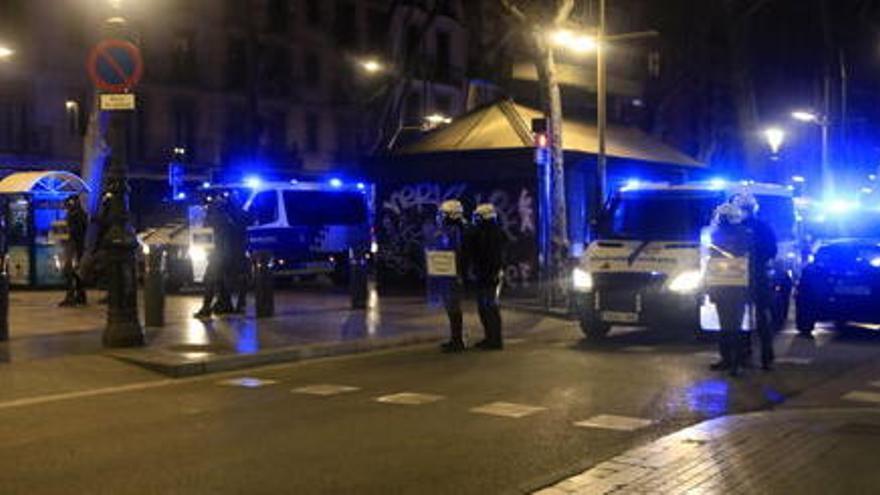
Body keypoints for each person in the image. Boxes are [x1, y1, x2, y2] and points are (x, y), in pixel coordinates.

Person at [706, 203, 752, 377]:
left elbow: (709, 260)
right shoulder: (745, 234)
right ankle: (735, 361)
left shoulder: (714, 235)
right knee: (735, 324)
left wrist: (709, 287)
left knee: (726, 324)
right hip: (737, 286)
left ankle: (729, 360)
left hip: (722, 285)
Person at [734, 193, 778, 370]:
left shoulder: (740, 228)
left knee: (752, 317)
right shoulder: (763, 227)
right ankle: (764, 358)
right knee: (759, 318)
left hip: (748, 276)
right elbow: (771, 250)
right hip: (754, 275)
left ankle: (750, 355)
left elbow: (770, 251)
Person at [466, 203, 507, 350]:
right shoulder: (494, 232)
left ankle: (494, 339)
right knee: (486, 307)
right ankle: (491, 338)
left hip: (488, 274)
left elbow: (487, 255)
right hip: (488, 273)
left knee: (489, 307)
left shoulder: (488, 234)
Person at [427, 199, 467, 353]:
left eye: (443, 214)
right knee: (451, 306)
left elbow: (458, 254)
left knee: (453, 307)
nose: (440, 217)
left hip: (453, 274)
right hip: (449, 273)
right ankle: (455, 338)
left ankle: (457, 340)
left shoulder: (457, 231)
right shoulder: (451, 230)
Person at [194, 195, 232, 318]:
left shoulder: (212, 218)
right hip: (224, 254)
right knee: (221, 280)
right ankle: (226, 305)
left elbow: (205, 238)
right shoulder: (226, 218)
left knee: (209, 280)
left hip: (216, 255)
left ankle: (206, 308)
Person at [225, 191, 252, 314]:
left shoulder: (226, 214)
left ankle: (231, 304)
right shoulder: (241, 213)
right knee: (241, 278)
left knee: (230, 279)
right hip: (239, 250)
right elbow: (251, 220)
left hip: (230, 251)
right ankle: (240, 303)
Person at [59, 195, 88, 307]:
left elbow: (75, 232)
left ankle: (72, 296)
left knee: (71, 272)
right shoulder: (79, 214)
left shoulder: (76, 215)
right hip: (78, 247)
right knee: (76, 272)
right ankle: (80, 295)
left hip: (74, 247)